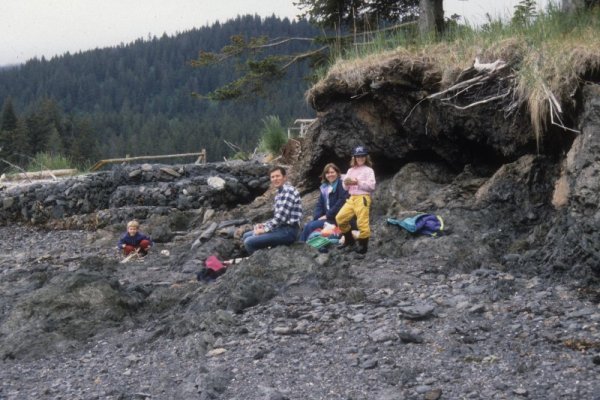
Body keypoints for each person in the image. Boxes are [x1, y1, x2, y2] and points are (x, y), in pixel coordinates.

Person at [243, 166, 303, 255]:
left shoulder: (288, 191)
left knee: (249, 242)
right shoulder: (280, 193)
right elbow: (277, 217)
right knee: (246, 235)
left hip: (289, 231)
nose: (275, 179)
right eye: (273, 177)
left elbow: (281, 218)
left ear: (284, 177)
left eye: (278, 176)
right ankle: (264, 254)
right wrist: (263, 225)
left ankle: (259, 263)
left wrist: (265, 229)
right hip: (281, 228)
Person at [336, 145, 376, 254]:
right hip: (352, 198)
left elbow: (372, 187)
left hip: (363, 197)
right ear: (354, 157)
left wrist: (357, 182)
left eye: (362, 156)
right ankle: (349, 241)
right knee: (340, 218)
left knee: (362, 223)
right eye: (358, 156)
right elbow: (345, 187)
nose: (360, 158)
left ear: (366, 157)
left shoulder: (369, 170)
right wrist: (346, 183)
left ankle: (363, 248)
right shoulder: (350, 170)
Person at [299, 163, 348, 242]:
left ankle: (302, 245)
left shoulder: (341, 184)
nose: (330, 175)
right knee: (308, 226)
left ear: (337, 173)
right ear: (325, 175)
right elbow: (320, 204)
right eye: (327, 173)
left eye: (332, 172)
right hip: (327, 218)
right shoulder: (325, 187)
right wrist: (317, 217)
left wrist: (327, 215)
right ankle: (303, 244)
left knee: (310, 226)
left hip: (336, 219)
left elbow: (341, 202)